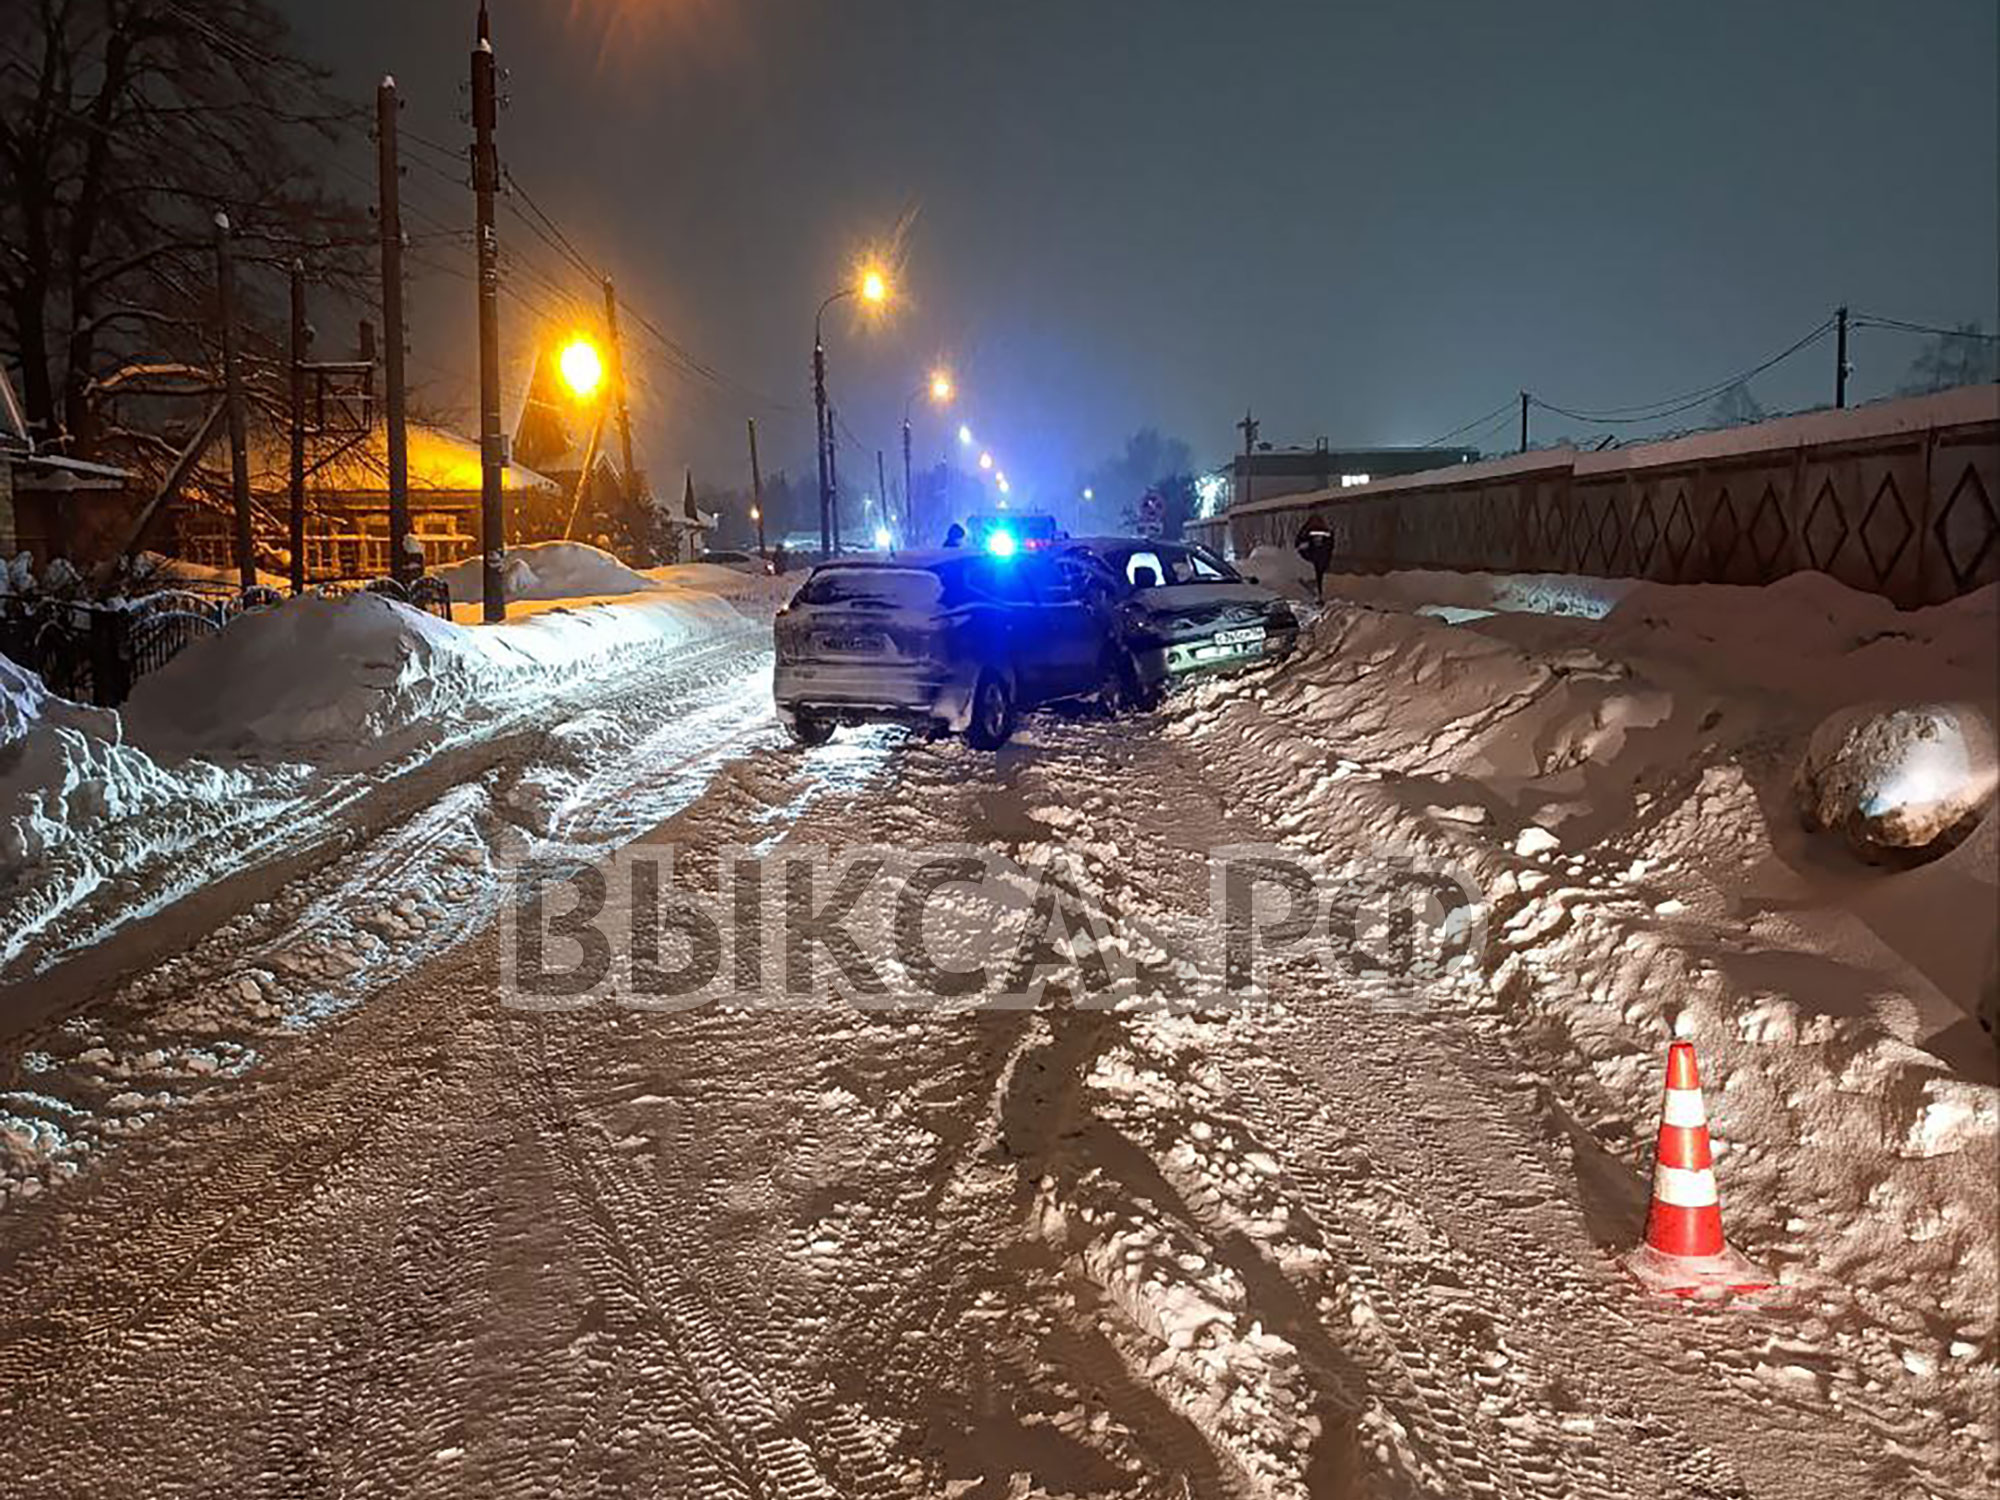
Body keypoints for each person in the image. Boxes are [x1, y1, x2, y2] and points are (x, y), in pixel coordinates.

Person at [1295, 512, 1335, 601]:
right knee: (1320, 576)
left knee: (1317, 576)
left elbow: (1299, 543)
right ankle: (1320, 594)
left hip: (1312, 558)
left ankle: (1318, 594)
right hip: (1322, 557)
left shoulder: (1307, 530)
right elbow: (1330, 543)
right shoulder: (1326, 530)